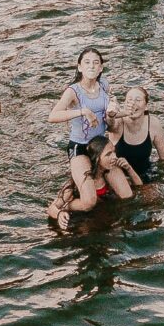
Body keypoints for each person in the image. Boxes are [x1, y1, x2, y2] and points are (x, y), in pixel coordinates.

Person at [46, 48, 114, 229]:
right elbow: (52, 116)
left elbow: (109, 111)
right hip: (80, 147)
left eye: (96, 62)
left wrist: (113, 114)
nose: (91, 65)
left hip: (100, 146)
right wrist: (83, 111)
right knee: (89, 202)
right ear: (80, 67)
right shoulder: (73, 91)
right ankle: (62, 208)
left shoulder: (105, 85)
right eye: (87, 62)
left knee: (125, 192)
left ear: (101, 68)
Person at [99, 86, 164, 197]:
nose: (133, 103)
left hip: (144, 174)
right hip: (120, 175)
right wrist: (110, 115)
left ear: (146, 106)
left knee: (154, 201)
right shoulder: (118, 123)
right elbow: (109, 124)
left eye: (138, 100)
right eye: (129, 100)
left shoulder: (153, 124)